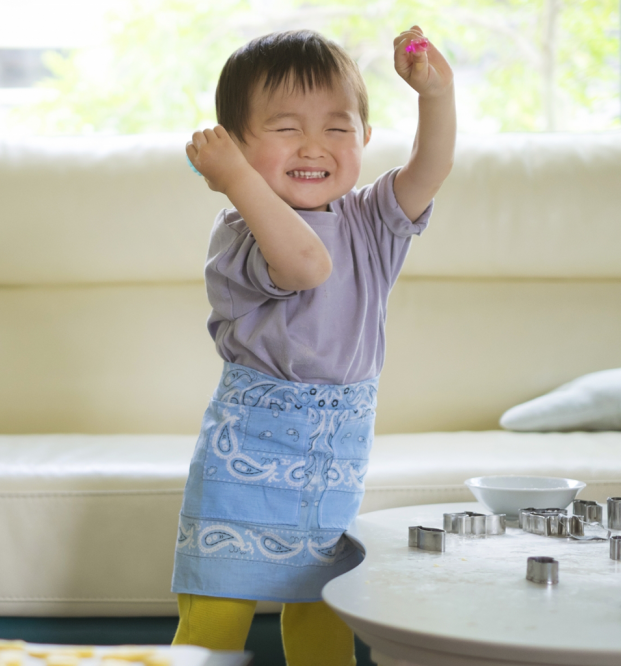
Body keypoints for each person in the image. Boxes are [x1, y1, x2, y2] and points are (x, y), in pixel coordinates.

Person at [171, 25, 456, 666]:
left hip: (334, 456)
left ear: (364, 141)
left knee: (321, 607)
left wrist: (436, 94)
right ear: (237, 147)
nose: (313, 146)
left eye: (337, 128)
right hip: (246, 452)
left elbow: (432, 167)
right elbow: (305, 264)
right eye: (284, 128)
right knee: (215, 612)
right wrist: (237, 182)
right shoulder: (242, 230)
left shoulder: (371, 219)